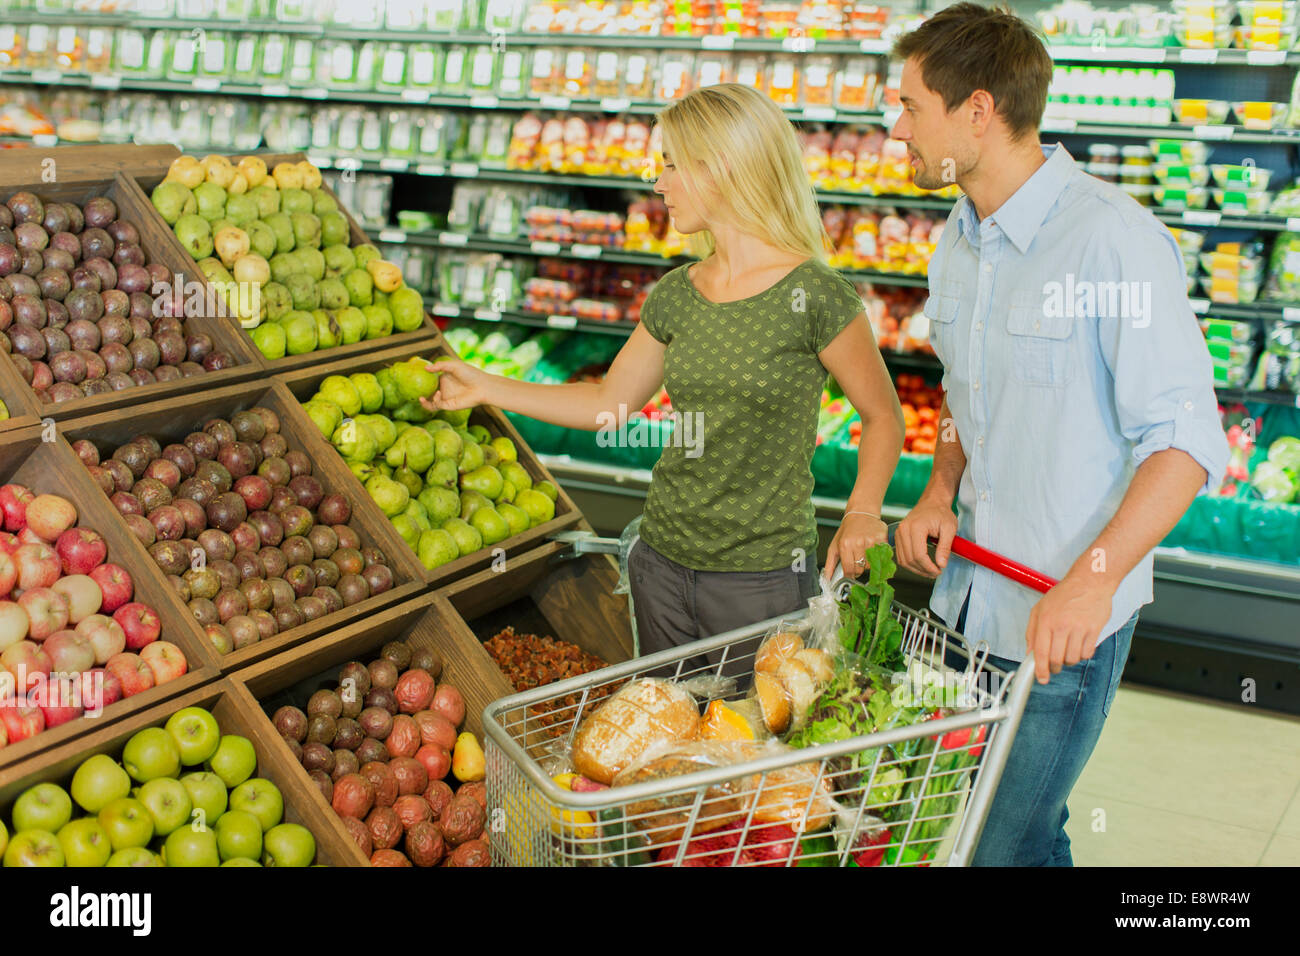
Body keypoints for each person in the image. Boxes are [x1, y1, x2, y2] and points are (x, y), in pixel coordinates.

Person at [890, 3, 1229, 866]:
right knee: (993, 833)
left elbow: (1186, 441)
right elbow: (966, 393)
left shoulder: (1111, 240)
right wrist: (940, 488)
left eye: (911, 107)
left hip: (1060, 622)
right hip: (965, 602)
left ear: (977, 109)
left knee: (1000, 847)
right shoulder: (957, 244)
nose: (898, 130)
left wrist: (1092, 581)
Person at [424, 82, 904, 667]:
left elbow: (883, 416)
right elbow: (610, 404)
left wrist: (862, 512)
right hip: (659, 565)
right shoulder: (677, 293)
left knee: (753, 748)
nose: (659, 184)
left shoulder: (818, 295)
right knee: (671, 748)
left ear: (722, 168)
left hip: (763, 581)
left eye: (673, 165)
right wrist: (486, 384)